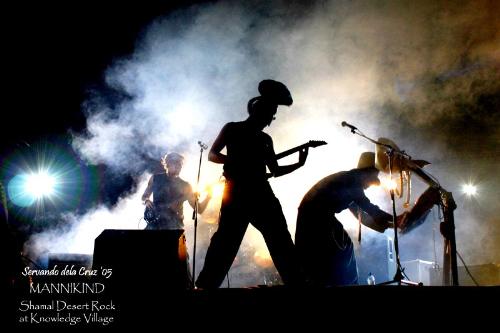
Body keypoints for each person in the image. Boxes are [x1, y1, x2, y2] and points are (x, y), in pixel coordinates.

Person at [195, 80, 309, 289]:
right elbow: (212, 154)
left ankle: (298, 284)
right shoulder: (232, 129)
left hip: (261, 192)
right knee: (226, 242)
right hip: (236, 192)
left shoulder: (266, 139)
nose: (271, 120)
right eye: (270, 114)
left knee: (280, 239)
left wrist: (298, 163)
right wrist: (231, 161)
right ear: (259, 112)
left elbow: (274, 171)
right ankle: (205, 286)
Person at [295, 152, 394, 287]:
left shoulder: (348, 181)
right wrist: (394, 219)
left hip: (312, 216)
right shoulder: (353, 181)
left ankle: (335, 282)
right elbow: (367, 207)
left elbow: (362, 216)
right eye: (372, 178)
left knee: (336, 248)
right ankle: (344, 284)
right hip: (317, 217)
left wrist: (388, 224)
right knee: (342, 248)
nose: (370, 185)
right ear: (367, 173)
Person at [141, 152, 211, 230]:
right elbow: (144, 196)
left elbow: (199, 209)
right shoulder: (155, 178)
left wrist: (209, 196)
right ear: (167, 164)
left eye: (180, 164)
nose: (179, 166)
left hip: (174, 227)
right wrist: (146, 200)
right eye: (176, 163)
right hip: (154, 224)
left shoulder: (186, 186)